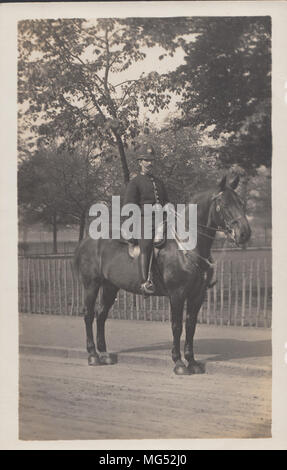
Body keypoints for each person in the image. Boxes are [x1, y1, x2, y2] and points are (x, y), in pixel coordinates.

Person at [123, 143, 169, 295]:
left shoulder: (159, 182)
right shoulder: (135, 182)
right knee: (147, 242)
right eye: (146, 160)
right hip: (143, 220)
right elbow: (130, 206)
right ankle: (145, 282)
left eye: (152, 160)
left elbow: (166, 201)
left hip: (162, 220)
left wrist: (168, 208)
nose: (150, 163)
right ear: (140, 162)